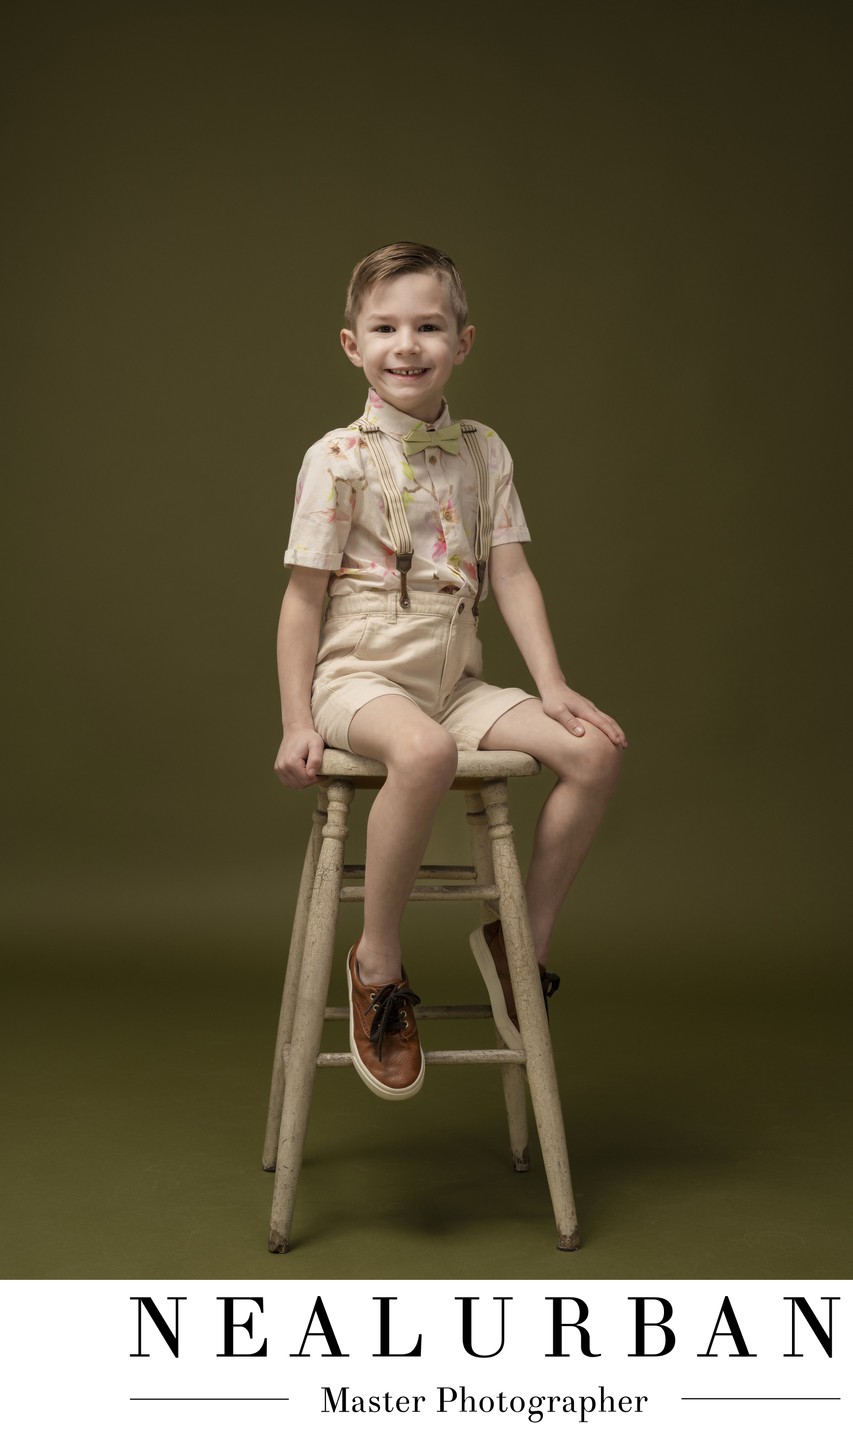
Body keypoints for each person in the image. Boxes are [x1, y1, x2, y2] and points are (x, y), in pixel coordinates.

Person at [274, 241, 626, 1102]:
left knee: (594, 752)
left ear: (461, 341)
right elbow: (300, 601)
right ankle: (377, 963)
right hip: (360, 677)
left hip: (453, 682)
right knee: (424, 753)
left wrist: (551, 686)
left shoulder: (482, 450)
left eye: (427, 326)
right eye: (385, 327)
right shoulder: (337, 458)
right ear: (353, 345)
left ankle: (518, 943)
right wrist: (295, 717)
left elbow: (510, 573)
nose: (407, 344)